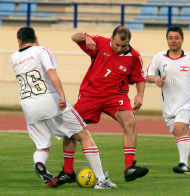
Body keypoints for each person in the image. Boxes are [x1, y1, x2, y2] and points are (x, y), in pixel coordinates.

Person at [11, 26, 116, 189]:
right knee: (84, 135)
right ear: (36, 38)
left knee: (42, 146)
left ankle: (39, 164)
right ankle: (101, 179)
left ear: (19, 41)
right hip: (49, 101)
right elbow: (51, 72)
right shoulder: (42, 51)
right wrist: (61, 94)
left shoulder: (14, 58)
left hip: (29, 106)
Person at [70, 25, 149, 182]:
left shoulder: (134, 57)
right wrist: (86, 37)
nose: (119, 49)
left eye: (123, 46)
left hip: (116, 96)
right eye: (116, 44)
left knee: (130, 121)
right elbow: (74, 37)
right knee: (70, 126)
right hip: (91, 94)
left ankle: (129, 168)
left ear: (129, 43)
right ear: (111, 38)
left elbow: (140, 78)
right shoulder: (99, 42)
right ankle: (67, 171)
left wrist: (139, 95)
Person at [145, 26, 190, 174]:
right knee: (180, 134)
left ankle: (183, 164)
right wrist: (156, 79)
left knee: (179, 128)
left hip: (186, 104)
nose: (173, 41)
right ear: (167, 39)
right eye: (170, 38)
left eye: (177, 38)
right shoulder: (159, 58)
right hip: (169, 107)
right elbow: (147, 75)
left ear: (182, 39)